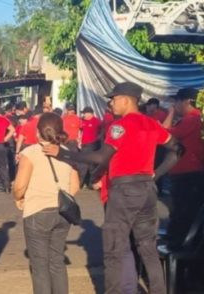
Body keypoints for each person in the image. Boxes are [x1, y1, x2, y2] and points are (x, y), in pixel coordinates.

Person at [43, 82, 183, 293]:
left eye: (114, 99)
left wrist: (63, 154)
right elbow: (178, 149)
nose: (111, 103)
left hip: (124, 190)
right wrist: (156, 174)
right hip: (147, 190)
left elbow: (100, 156)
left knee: (114, 250)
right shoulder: (151, 124)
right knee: (148, 249)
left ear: (126, 99)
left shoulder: (120, 126)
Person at [13, 112, 79, 294]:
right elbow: (75, 186)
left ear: (38, 132)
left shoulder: (30, 153)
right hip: (62, 212)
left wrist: (18, 198)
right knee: (57, 262)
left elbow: (19, 186)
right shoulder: (67, 153)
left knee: (40, 267)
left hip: (37, 212)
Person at [162, 87, 204, 249]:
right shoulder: (197, 118)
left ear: (186, 101)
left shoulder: (192, 119)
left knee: (184, 211)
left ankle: (181, 245)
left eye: (176, 102)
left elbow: (164, 133)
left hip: (187, 172)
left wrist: (170, 113)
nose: (175, 105)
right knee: (186, 210)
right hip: (190, 171)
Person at [79, 106, 102, 187]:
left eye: (85, 113)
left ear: (90, 114)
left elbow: (102, 131)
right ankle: (81, 183)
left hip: (92, 145)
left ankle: (91, 183)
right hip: (84, 146)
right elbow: (80, 131)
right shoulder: (83, 121)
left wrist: (97, 140)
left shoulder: (96, 121)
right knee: (82, 164)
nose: (84, 115)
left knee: (91, 165)